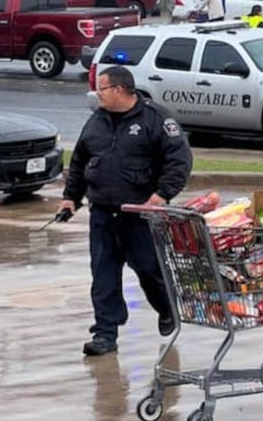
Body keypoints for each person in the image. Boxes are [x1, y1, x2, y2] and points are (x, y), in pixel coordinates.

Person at [59, 65, 193, 356]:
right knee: (103, 274)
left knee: (149, 269)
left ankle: (166, 307)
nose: (97, 94)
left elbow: (179, 160)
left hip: (141, 215)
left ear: (119, 89)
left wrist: (162, 195)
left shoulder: (155, 119)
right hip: (103, 214)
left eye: (101, 89)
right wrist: (71, 197)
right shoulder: (97, 121)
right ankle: (105, 334)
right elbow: (81, 161)